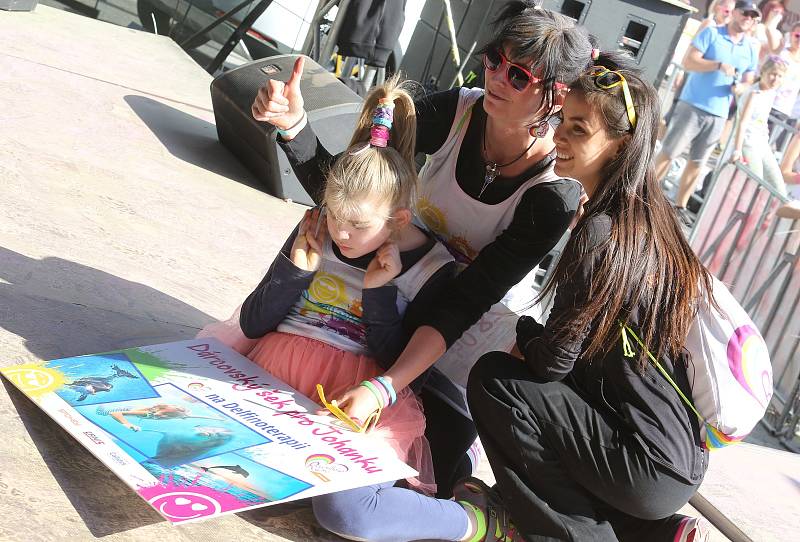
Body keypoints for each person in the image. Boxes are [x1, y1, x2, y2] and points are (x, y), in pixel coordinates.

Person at [252, 1, 591, 497]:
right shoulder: (458, 111)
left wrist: (386, 384)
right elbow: (352, 195)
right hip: (391, 278)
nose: (495, 76)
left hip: (462, 326)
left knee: (423, 467)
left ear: (556, 98)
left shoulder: (553, 194)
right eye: (495, 59)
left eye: (518, 76)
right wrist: (294, 126)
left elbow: (466, 301)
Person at [460, 52, 713, 542]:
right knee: (546, 398)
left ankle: (578, 535)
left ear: (619, 147)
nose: (558, 137)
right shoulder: (655, 223)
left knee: (496, 381)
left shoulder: (601, 230)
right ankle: (649, 534)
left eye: (579, 129)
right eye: (562, 122)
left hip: (646, 463)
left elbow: (554, 360)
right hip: (675, 460)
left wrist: (525, 333)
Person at [655, 0, 759, 226]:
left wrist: (741, 88)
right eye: (745, 13)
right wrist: (717, 65)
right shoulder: (712, 33)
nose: (748, 18)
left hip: (719, 114)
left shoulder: (750, 48)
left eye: (753, 16)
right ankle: (646, 193)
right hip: (692, 104)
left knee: (697, 162)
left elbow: (749, 80)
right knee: (670, 152)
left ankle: (680, 206)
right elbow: (688, 61)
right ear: (735, 13)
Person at [732, 55, 800, 194]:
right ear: (763, 72)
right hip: (749, 143)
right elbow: (742, 123)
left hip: (762, 143)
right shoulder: (754, 93)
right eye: (773, 74)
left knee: (779, 187)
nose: (775, 79)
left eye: (780, 76)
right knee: (757, 182)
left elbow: (761, 122)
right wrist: (737, 150)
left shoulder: (770, 92)